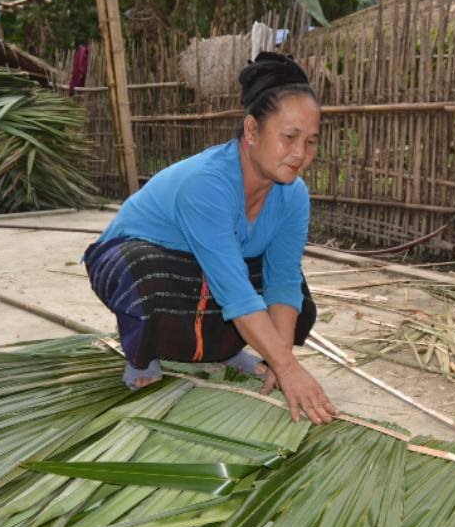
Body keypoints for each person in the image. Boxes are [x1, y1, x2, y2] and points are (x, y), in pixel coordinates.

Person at [84, 52, 338, 425]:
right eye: (289, 137)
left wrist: (279, 361)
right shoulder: (207, 183)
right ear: (252, 131)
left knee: (292, 288)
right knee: (150, 273)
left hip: (207, 269)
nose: (300, 154)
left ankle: (223, 351)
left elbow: (282, 280)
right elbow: (233, 291)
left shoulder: (293, 194)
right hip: (131, 259)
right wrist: (290, 369)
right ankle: (143, 354)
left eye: (311, 142)